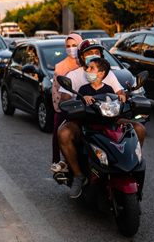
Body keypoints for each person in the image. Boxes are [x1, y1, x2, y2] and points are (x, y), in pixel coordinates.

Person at [57, 39, 146, 198]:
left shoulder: (108, 75)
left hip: (109, 119)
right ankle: (78, 176)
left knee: (139, 128)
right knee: (64, 133)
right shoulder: (75, 76)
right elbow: (64, 98)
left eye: (97, 53)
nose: (93, 56)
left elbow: (120, 93)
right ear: (82, 57)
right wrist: (79, 101)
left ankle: (130, 165)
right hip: (84, 122)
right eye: (89, 53)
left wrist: (125, 97)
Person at [51, 33, 83, 173]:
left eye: (74, 46)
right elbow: (56, 91)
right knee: (61, 131)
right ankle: (65, 162)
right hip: (67, 108)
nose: (71, 49)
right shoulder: (60, 66)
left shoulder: (88, 64)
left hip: (88, 108)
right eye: (68, 46)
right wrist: (62, 108)